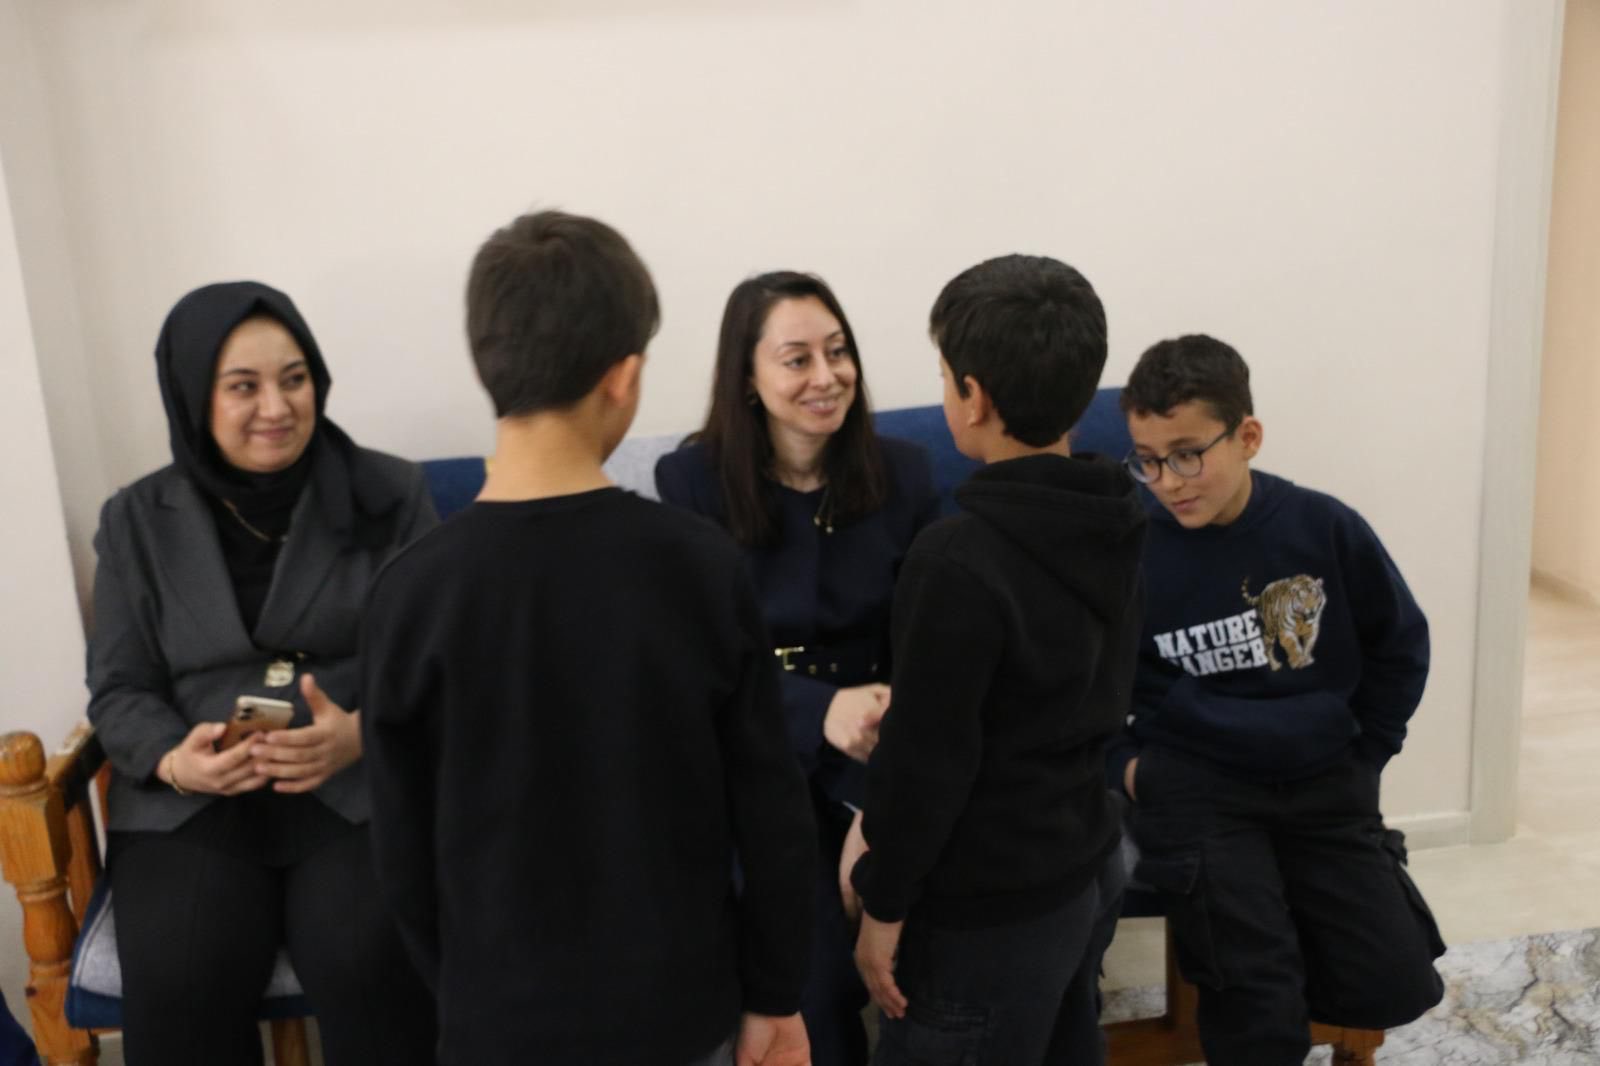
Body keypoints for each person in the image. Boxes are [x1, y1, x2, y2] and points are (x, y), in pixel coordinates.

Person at [360, 210, 817, 1066]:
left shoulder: (408, 596)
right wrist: (774, 993)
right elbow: (771, 814)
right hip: (679, 1011)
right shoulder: (698, 566)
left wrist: (465, 998)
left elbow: (402, 855)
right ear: (623, 376)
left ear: (488, 365)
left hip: (500, 1024)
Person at [86, 281, 438, 1065]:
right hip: (194, 802)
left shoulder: (393, 494)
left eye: (294, 378)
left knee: (370, 959)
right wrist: (175, 760)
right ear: (193, 396)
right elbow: (119, 686)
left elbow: (434, 658)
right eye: (243, 386)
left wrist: (362, 734)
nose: (276, 407)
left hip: (349, 786)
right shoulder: (136, 520)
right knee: (183, 974)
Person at [1109, 334, 1446, 1064]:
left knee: (1391, 980)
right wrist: (1132, 769)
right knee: (1254, 998)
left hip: (1320, 776)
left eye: (1188, 454)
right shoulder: (1129, 550)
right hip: (1197, 787)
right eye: (1148, 460)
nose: (1168, 481)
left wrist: (1367, 757)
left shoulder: (1324, 526)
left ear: (1248, 437)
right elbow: (1091, 683)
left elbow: (1400, 646)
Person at [848, 254, 1144, 1065]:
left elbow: (927, 763)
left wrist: (882, 905)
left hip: (987, 909)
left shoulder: (957, 558)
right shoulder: (1116, 511)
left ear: (973, 397)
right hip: (1085, 864)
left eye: (945, 378)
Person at [656, 271, 940, 1066]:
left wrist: (877, 800)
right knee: (807, 983)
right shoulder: (692, 483)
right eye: (796, 359)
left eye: (838, 351)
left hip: (883, 747)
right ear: (747, 378)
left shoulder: (906, 472)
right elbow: (696, 657)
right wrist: (818, 711)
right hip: (756, 759)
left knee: (934, 959)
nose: (826, 376)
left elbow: (932, 639)